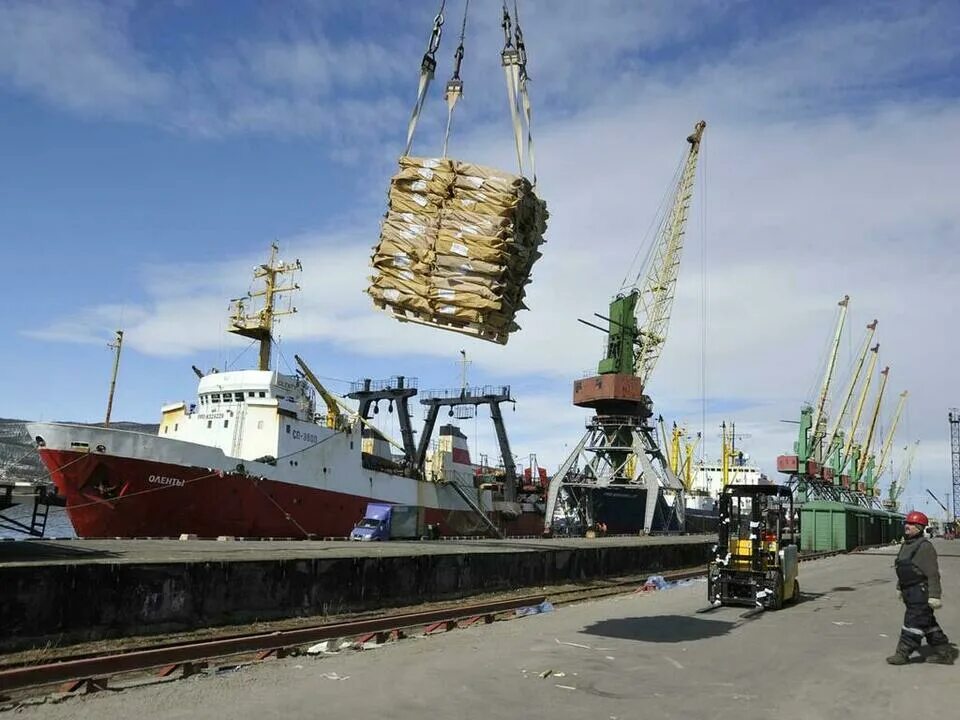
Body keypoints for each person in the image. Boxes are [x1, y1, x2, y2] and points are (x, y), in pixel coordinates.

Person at [887, 511, 954, 665]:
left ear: (919, 527)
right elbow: (902, 568)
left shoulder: (924, 547)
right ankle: (945, 653)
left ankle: (902, 653)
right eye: (906, 523)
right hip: (909, 591)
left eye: (911, 524)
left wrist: (935, 596)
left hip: (920, 592)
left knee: (912, 622)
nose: (907, 526)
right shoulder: (906, 545)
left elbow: (933, 573)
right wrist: (899, 587)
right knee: (928, 623)